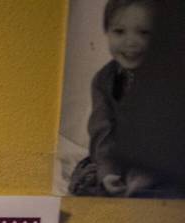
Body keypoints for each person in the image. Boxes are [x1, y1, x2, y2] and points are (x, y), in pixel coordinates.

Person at [69, 0, 184, 197]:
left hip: (168, 157)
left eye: (145, 33)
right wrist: (108, 172)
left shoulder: (171, 75)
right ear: (107, 32)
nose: (131, 42)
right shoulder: (104, 79)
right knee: (85, 178)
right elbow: (102, 130)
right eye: (119, 31)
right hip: (121, 158)